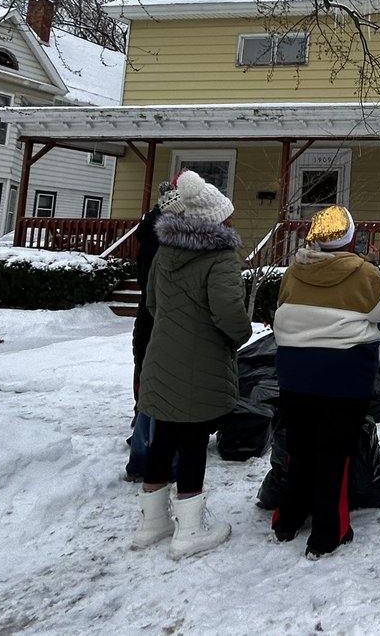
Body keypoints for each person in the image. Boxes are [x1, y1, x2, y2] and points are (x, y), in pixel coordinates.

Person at [132, 169, 253, 560]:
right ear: (216, 217)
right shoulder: (220, 258)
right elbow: (229, 314)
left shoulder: (165, 251)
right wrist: (240, 335)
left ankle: (152, 523)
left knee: (163, 437)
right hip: (200, 363)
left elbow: (151, 303)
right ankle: (190, 530)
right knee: (194, 440)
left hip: (161, 356)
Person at [271, 205, 380, 557]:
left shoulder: (294, 271)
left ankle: (288, 519)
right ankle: (329, 532)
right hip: (345, 374)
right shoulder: (361, 272)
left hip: (295, 371)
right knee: (334, 451)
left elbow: (280, 305)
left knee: (299, 447)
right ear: (350, 237)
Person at [125, 181, 176, 482]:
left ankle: (143, 431)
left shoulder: (150, 230)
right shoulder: (164, 239)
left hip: (147, 314)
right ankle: (149, 447)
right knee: (156, 379)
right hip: (157, 315)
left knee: (145, 369)